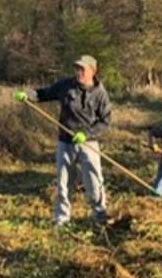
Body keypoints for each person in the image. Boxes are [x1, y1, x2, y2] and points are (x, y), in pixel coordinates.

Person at [15, 55, 111, 226]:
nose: (78, 72)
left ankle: (100, 216)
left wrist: (86, 134)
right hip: (65, 142)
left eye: (83, 69)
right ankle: (62, 218)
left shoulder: (100, 93)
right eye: (77, 68)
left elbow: (105, 122)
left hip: (89, 144)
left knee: (94, 181)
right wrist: (27, 95)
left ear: (93, 71)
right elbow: (42, 94)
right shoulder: (66, 85)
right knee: (64, 182)